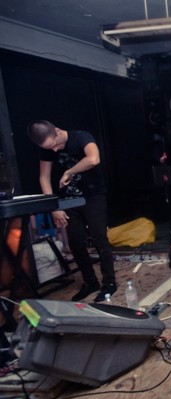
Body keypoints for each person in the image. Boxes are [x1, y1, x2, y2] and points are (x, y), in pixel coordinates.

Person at [27, 120, 117, 302]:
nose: (54, 150)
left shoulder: (81, 137)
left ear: (58, 131)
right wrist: (53, 206)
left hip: (93, 196)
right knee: (76, 243)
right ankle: (90, 282)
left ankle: (109, 283)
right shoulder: (47, 149)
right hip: (68, 200)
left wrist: (69, 172)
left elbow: (93, 159)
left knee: (100, 239)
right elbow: (44, 178)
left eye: (55, 145)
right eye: (49, 148)